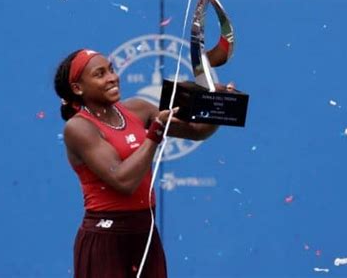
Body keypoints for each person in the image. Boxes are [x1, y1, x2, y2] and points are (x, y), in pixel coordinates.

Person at [54, 49, 222, 278]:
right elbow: (123, 181)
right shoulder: (78, 128)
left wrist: (217, 105)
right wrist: (155, 132)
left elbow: (197, 132)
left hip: (145, 234)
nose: (112, 77)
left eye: (111, 70)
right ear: (78, 88)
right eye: (100, 74)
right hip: (105, 239)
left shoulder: (138, 108)